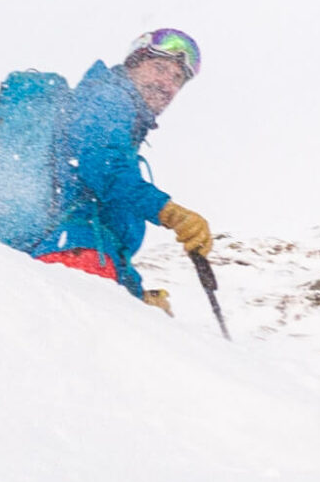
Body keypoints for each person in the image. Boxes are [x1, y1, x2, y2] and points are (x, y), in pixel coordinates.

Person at [24, 27, 214, 300]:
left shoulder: (124, 120)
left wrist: (137, 297)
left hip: (83, 253)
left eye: (176, 78)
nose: (166, 84)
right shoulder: (107, 98)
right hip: (74, 252)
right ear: (133, 64)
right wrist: (169, 212)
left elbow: (109, 237)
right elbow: (104, 168)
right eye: (159, 68)